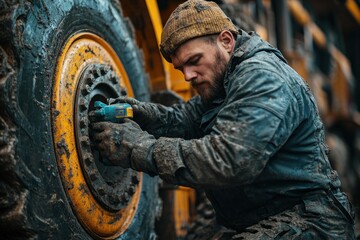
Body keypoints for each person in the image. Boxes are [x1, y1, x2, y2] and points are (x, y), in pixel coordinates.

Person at [92, 0, 355, 238]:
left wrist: (137, 147)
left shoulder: (262, 78)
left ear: (226, 41)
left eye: (194, 61)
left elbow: (228, 160)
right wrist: (142, 114)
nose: (187, 76)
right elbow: (184, 120)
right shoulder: (224, 81)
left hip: (311, 222)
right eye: (180, 68)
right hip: (262, 216)